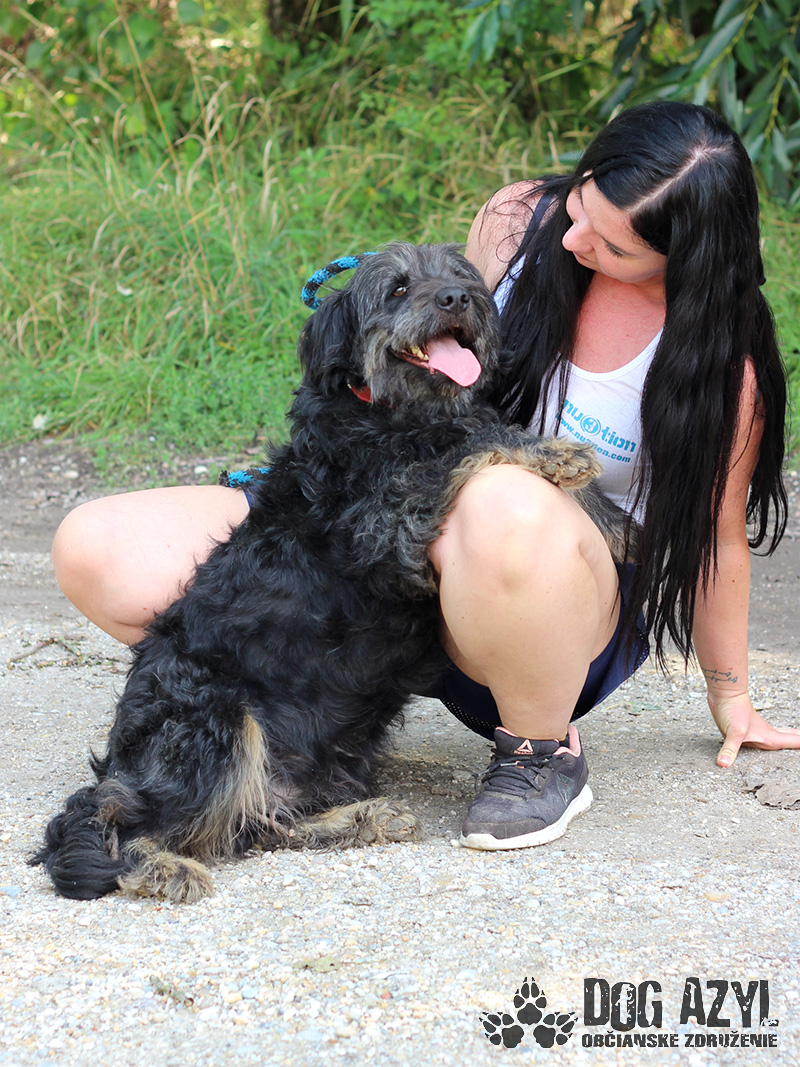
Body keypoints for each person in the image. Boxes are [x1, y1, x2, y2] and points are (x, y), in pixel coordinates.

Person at [51, 101, 800, 853]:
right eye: (580, 206)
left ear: (682, 259)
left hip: (532, 598)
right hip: (390, 577)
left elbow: (718, 539)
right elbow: (414, 347)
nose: (573, 240)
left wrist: (730, 693)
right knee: (97, 546)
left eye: (612, 244)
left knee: (501, 498)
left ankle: (539, 752)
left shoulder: (719, 372)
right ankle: (294, 747)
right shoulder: (517, 221)